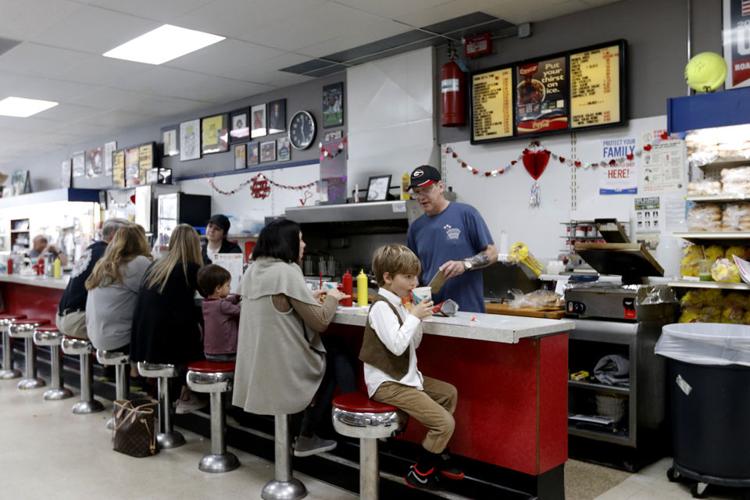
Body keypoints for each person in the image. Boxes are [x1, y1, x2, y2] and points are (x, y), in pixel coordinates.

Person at [232, 219, 354, 457]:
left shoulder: (253, 270)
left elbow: (279, 305)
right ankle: (311, 433)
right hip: (285, 366)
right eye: (299, 239)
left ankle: (302, 433)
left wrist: (307, 296)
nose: (304, 244)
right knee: (336, 352)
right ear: (286, 242)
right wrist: (332, 297)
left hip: (257, 366)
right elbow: (321, 321)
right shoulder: (287, 271)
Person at [363, 244, 462, 490]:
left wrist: (417, 319)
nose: (414, 282)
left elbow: (412, 343)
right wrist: (414, 316)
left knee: (448, 393)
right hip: (387, 383)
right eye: (407, 277)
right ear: (388, 278)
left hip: (404, 377)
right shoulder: (381, 307)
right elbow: (397, 346)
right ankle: (420, 472)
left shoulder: (399, 303)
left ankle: (438, 455)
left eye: (415, 276)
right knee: (444, 424)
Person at [130, 224, 205, 414]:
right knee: (203, 335)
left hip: (144, 340)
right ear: (196, 245)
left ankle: (174, 395)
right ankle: (188, 393)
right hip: (167, 345)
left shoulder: (157, 265)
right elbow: (206, 299)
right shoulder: (192, 269)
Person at [406, 165, 497, 313]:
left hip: (468, 311)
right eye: (417, 192)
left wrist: (465, 265)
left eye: (426, 189)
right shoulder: (415, 228)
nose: (421, 197)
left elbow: (492, 254)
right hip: (431, 312)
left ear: (441, 187)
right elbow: (413, 271)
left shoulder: (467, 214)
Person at [56, 219, 129, 339]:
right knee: (126, 328)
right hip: (78, 320)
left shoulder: (92, 248)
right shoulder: (107, 254)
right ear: (113, 235)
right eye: (126, 236)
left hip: (62, 316)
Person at [84, 224, 151, 353]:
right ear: (141, 241)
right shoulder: (139, 262)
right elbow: (157, 291)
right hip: (119, 340)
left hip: (95, 337)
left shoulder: (102, 264)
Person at [197, 264, 240, 361]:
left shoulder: (207, 304)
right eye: (228, 285)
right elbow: (241, 311)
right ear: (218, 289)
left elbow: (225, 303)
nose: (230, 288)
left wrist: (236, 297)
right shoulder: (222, 306)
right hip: (225, 353)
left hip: (209, 352)